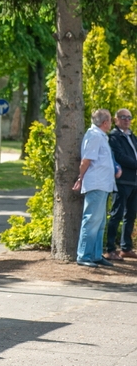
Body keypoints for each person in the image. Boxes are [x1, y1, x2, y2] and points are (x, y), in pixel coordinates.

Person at [74, 109, 118, 268]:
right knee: (91, 219)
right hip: (96, 183)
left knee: (99, 222)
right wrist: (80, 178)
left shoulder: (100, 136)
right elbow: (85, 160)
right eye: (110, 121)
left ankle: (95, 254)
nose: (111, 123)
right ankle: (84, 255)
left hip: (104, 184)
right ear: (105, 122)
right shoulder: (93, 136)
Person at [104, 108, 137, 260]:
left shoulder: (132, 136)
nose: (127, 120)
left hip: (134, 182)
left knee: (130, 215)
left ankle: (126, 248)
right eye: (123, 117)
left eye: (129, 117)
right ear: (116, 119)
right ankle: (110, 250)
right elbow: (120, 157)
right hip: (121, 181)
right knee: (116, 215)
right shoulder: (114, 137)